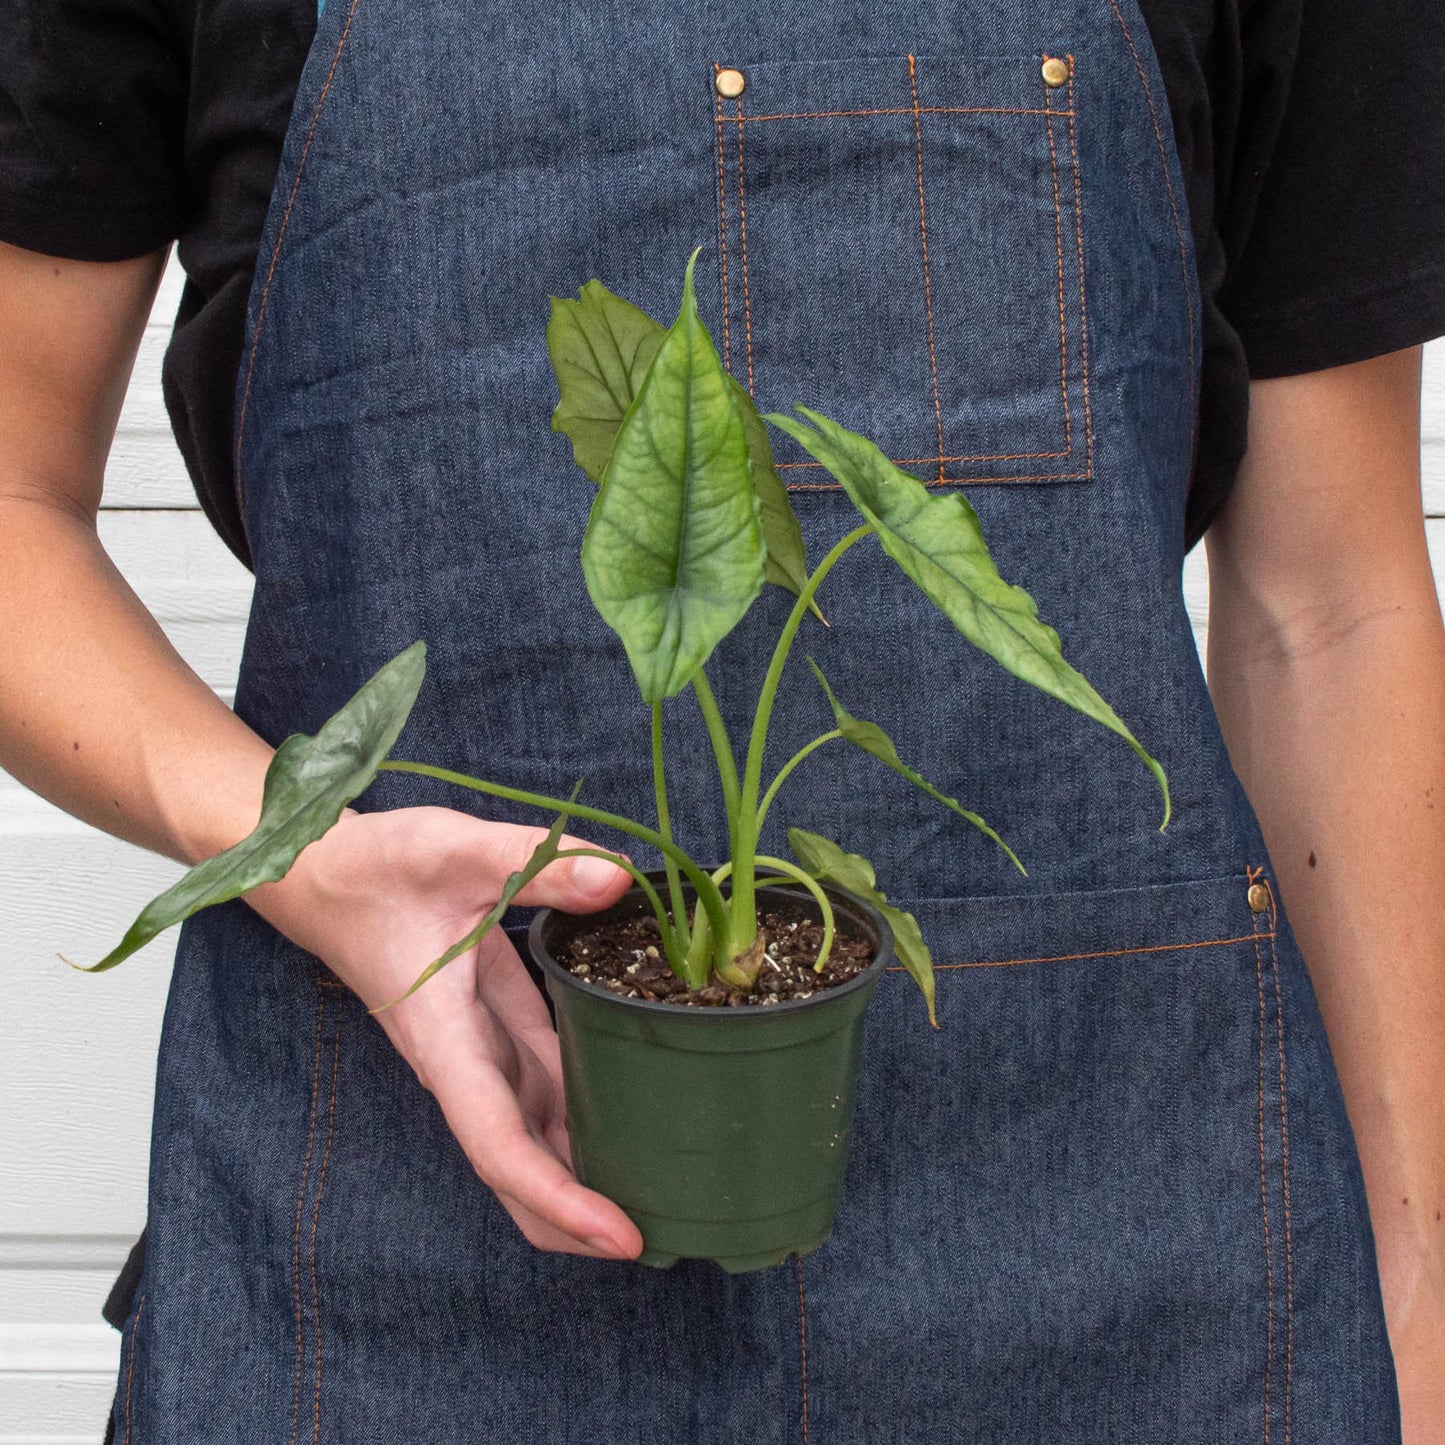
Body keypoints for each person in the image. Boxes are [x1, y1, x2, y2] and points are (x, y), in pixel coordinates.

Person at [2, 0, 1442, 1439]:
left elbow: (1327, 610)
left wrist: (1419, 1300)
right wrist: (292, 851)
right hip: (394, 1236)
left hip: (1125, 1238)